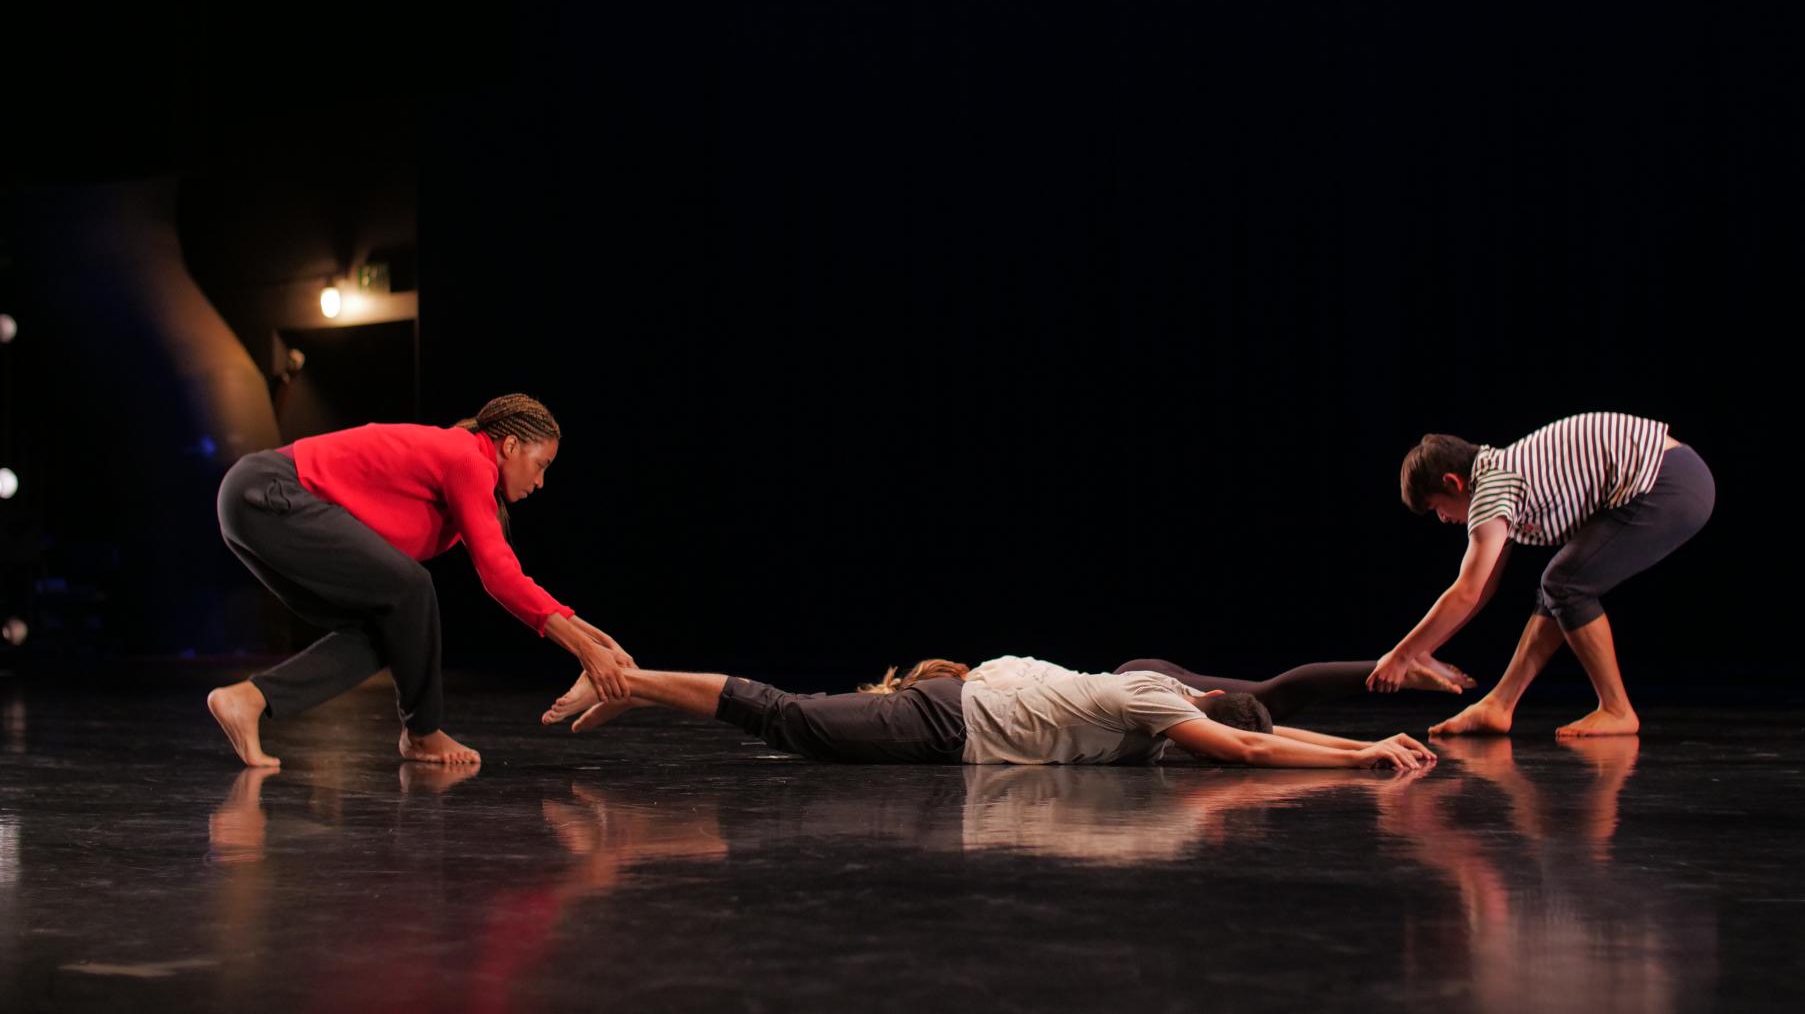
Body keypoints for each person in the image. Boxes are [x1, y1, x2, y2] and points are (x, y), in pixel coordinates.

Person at [207, 393, 636, 767]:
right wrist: (584, 651)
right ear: (510, 446)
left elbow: (512, 577)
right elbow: (501, 577)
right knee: (412, 589)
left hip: (255, 504)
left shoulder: (464, 471)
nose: (540, 482)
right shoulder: (468, 459)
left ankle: (249, 700)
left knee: (392, 629)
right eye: (541, 465)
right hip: (269, 491)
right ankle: (423, 733)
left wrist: (599, 645)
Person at [1368, 412, 1714, 737]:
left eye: (1436, 508)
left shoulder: (1492, 488)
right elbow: (1484, 586)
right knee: (1560, 586)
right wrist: (1422, 650)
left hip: (1669, 481)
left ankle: (1617, 708)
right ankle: (1498, 705)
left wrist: (1400, 656)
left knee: (1565, 583)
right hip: (1676, 475)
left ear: (1453, 482)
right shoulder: (1500, 473)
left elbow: (1466, 592)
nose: (1443, 519)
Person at [541, 659, 1437, 770]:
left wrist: (1368, 740)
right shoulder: (1151, 699)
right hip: (947, 722)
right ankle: (624, 678)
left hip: (954, 712)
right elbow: (1244, 746)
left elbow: (1259, 729)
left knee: (799, 726)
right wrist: (1358, 767)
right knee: (796, 722)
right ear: (1191, 702)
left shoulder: (1146, 693)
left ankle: (628, 688)